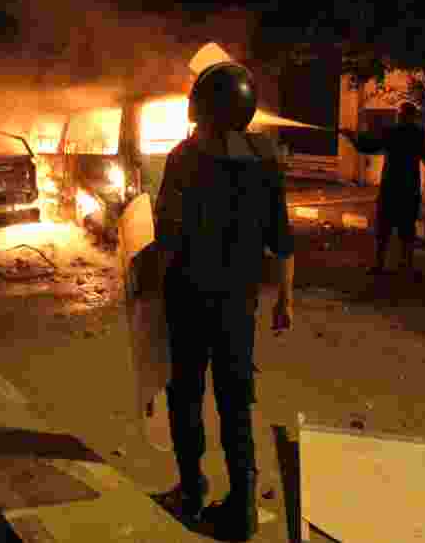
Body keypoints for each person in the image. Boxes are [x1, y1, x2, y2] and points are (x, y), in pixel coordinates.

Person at [153, 61, 295, 541]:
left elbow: (166, 234)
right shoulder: (267, 159)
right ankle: (243, 509)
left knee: (186, 395)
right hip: (239, 304)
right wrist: (286, 301)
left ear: (202, 106)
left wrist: (150, 288)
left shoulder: (185, 156)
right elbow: (282, 240)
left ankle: (191, 491)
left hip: (189, 298)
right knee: (236, 402)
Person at [340, 102, 425, 279]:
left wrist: (351, 137)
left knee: (383, 229)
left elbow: (368, 146)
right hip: (409, 190)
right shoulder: (417, 135)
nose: (398, 117)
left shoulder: (392, 133)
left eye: (399, 114)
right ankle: (406, 267)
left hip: (391, 188)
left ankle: (379, 265)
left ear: (401, 116)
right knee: (406, 230)